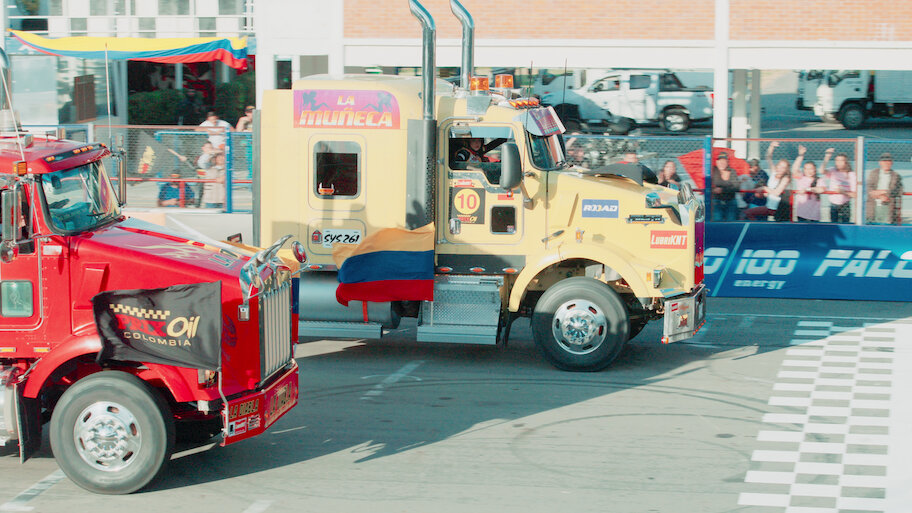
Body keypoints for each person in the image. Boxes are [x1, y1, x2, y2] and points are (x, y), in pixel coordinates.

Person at [745, 142, 792, 221]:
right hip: (769, 205)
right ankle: (756, 226)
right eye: (779, 166)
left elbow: (777, 192)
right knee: (748, 212)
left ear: (786, 169)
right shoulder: (774, 172)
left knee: (749, 212)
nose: (780, 169)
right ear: (777, 166)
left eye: (783, 167)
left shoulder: (786, 178)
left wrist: (764, 188)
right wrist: (771, 147)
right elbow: (768, 157)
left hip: (778, 207)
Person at [865, 152, 904, 225]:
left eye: (888, 161)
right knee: (872, 225)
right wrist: (879, 196)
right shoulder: (874, 173)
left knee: (886, 226)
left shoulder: (896, 176)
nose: (886, 163)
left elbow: (899, 190)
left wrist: (885, 192)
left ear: (892, 163)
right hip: (873, 205)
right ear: (880, 163)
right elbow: (868, 187)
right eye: (884, 161)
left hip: (888, 205)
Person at [820, 148, 856, 223]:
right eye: (837, 161)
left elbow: (855, 194)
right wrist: (827, 156)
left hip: (845, 204)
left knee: (846, 224)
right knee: (833, 224)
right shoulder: (833, 170)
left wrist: (843, 192)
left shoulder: (851, 175)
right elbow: (821, 171)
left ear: (846, 162)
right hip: (833, 203)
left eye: (841, 161)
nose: (838, 163)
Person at [790, 145, 824, 222]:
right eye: (806, 169)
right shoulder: (801, 177)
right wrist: (801, 155)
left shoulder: (819, 179)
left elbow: (821, 189)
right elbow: (794, 169)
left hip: (814, 214)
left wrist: (808, 189)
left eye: (811, 169)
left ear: (815, 170)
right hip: (802, 213)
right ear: (804, 170)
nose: (809, 171)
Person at [710, 153, 739, 221]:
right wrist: (713, 189)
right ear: (717, 162)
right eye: (720, 161)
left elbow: (736, 187)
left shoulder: (732, 171)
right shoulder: (713, 171)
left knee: (731, 221)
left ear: (727, 162)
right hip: (717, 200)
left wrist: (722, 190)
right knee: (717, 220)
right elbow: (708, 185)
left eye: (724, 161)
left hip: (730, 200)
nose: (722, 163)